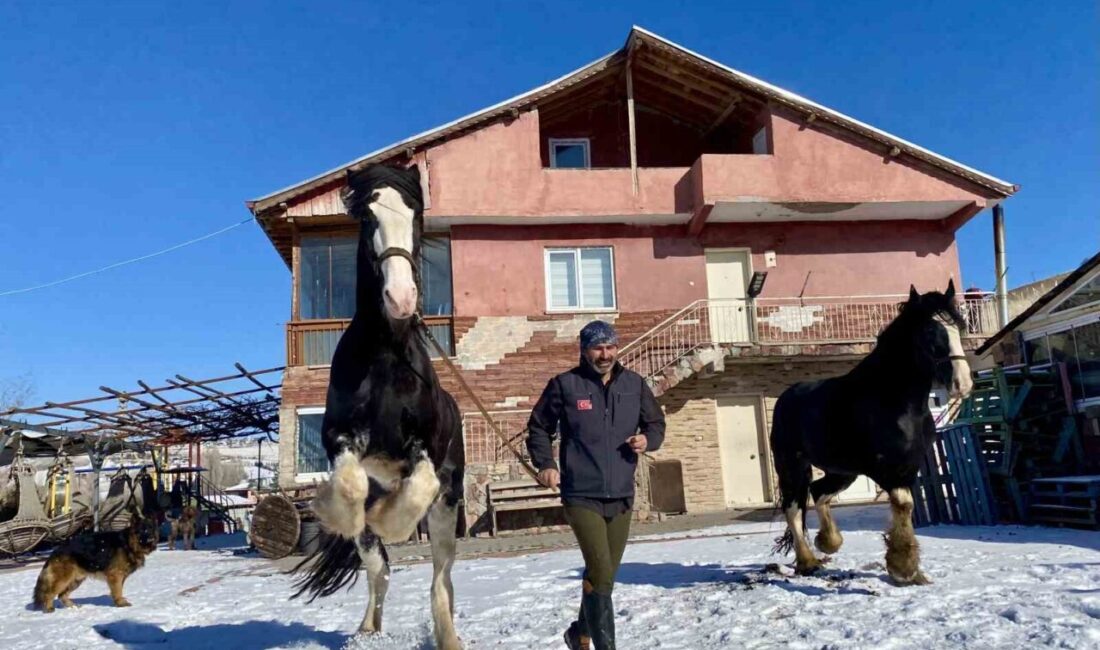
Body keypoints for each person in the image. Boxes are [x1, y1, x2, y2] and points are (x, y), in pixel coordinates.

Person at [526, 320, 666, 650]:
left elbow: (656, 424)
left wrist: (648, 439)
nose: (605, 355)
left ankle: (579, 634)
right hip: (581, 494)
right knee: (601, 571)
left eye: (611, 347)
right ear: (584, 350)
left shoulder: (634, 384)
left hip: (621, 494)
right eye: (598, 348)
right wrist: (546, 464)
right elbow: (538, 428)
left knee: (604, 576)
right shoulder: (565, 385)